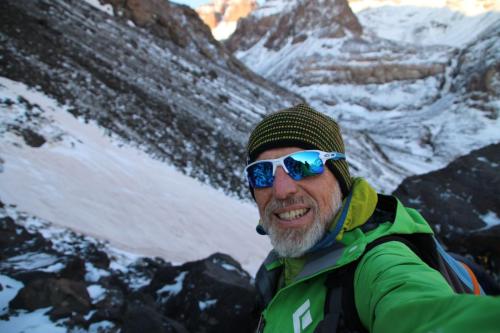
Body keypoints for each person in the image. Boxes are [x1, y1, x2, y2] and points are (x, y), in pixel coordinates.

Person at [244, 104, 500, 333]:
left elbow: (419, 310)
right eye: (262, 173)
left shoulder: (380, 263)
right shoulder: (279, 268)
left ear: (340, 179)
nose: (281, 189)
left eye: (304, 164)